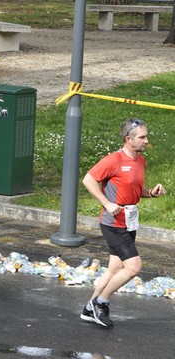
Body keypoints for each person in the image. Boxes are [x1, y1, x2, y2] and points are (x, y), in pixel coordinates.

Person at [80, 118, 166, 327]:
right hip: (113, 223)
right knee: (134, 267)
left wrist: (151, 193)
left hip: (129, 221)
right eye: (142, 137)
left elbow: (135, 190)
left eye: (146, 136)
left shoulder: (140, 161)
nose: (146, 141)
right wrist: (107, 203)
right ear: (129, 139)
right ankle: (101, 303)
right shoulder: (113, 160)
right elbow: (88, 180)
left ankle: (89, 309)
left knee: (114, 268)